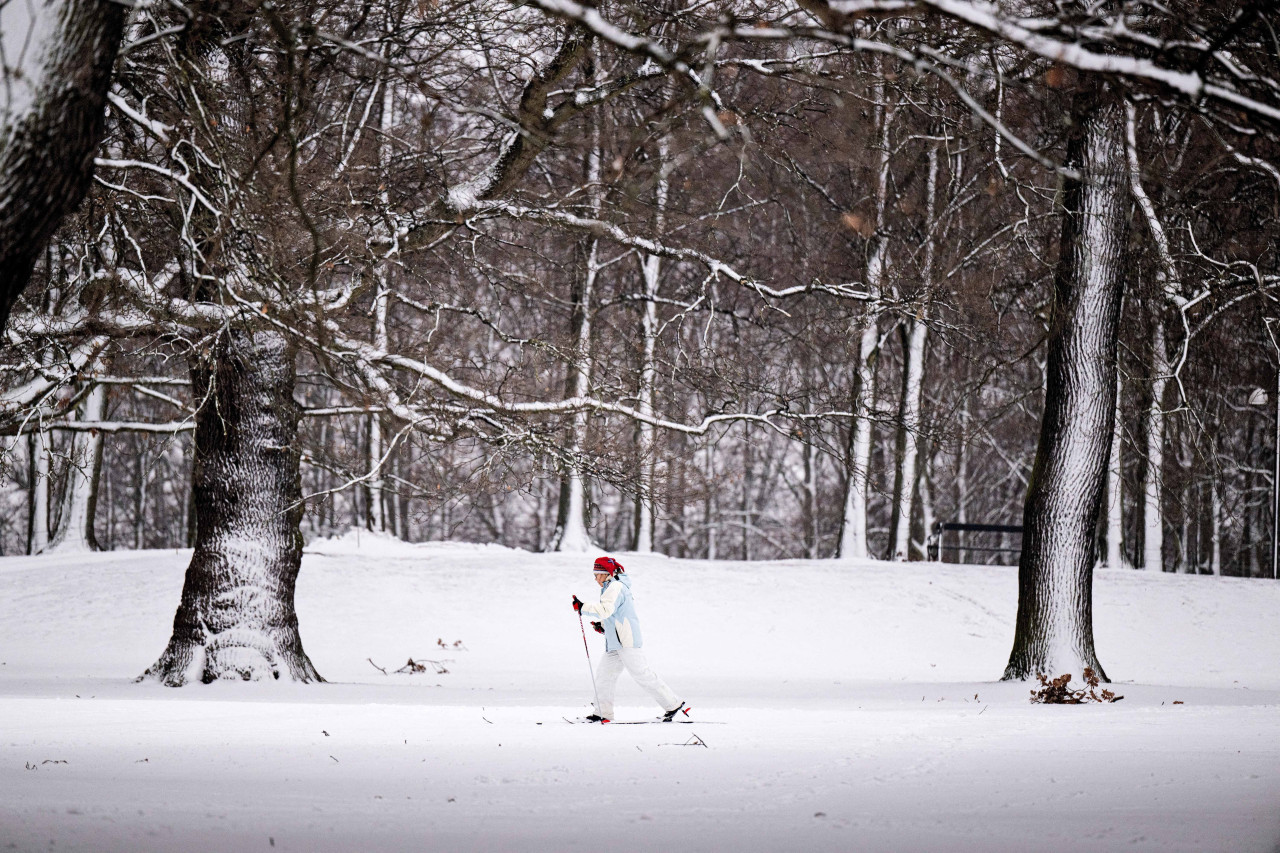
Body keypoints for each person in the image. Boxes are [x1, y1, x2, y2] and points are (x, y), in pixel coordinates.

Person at [571, 556, 690, 723]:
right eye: (594, 575)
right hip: (615, 642)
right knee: (604, 676)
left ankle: (673, 704)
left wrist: (583, 607)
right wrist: (603, 626)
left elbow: (605, 609)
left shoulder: (616, 586)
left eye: (598, 574)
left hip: (627, 642)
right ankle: (603, 712)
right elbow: (615, 614)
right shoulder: (610, 587)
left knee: (642, 674)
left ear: (607, 574)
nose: (596, 578)